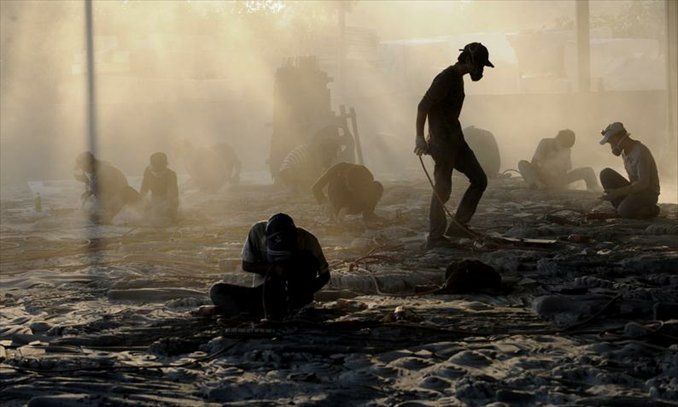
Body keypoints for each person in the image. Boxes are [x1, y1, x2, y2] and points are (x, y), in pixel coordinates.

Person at [414, 42, 493, 248]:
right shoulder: (445, 79)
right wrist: (419, 138)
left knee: (479, 180)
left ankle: (458, 226)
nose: (481, 70)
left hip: (456, 141)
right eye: (480, 65)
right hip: (441, 142)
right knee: (443, 189)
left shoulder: (458, 78)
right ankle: (435, 237)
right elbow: (423, 106)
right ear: (468, 60)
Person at [207, 213, 330, 320]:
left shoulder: (309, 241)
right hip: (264, 289)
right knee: (217, 290)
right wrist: (272, 269)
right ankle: (243, 315)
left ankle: (291, 306)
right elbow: (246, 265)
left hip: (295, 289)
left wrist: (304, 292)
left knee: (307, 260)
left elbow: (325, 275)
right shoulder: (257, 233)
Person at [598, 122, 660, 219]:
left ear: (618, 138)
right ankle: (625, 207)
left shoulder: (641, 152)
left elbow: (643, 184)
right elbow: (633, 183)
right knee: (605, 174)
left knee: (624, 211)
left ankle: (649, 209)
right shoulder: (625, 153)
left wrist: (617, 192)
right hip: (635, 190)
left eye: (611, 142)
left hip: (648, 192)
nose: (611, 147)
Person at [518, 129, 599, 191]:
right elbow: (534, 163)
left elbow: (566, 169)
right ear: (557, 139)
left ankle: (595, 190)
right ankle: (536, 184)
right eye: (563, 145)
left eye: (566, 147)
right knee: (522, 163)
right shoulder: (545, 143)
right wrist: (545, 169)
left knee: (588, 171)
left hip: (556, 180)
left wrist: (558, 174)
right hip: (540, 178)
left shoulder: (567, 149)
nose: (564, 148)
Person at [73, 151, 139, 224]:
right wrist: (90, 191)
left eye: (83, 167)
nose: (83, 170)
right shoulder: (94, 172)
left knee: (127, 192)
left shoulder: (103, 171)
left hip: (116, 199)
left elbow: (110, 190)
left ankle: (146, 211)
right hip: (108, 201)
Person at [311, 162, 383, 222]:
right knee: (336, 183)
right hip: (339, 200)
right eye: (349, 186)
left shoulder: (367, 176)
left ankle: (368, 214)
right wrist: (324, 203)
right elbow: (315, 188)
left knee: (376, 187)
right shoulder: (337, 170)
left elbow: (371, 192)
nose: (350, 189)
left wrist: (368, 206)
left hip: (357, 203)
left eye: (354, 189)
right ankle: (336, 213)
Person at [139, 152, 179, 224]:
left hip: (167, 203)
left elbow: (172, 197)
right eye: (154, 171)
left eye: (160, 172)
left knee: (164, 218)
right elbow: (144, 189)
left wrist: (160, 209)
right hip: (154, 200)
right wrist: (144, 203)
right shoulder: (148, 171)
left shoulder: (171, 175)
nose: (157, 174)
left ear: (165, 166)